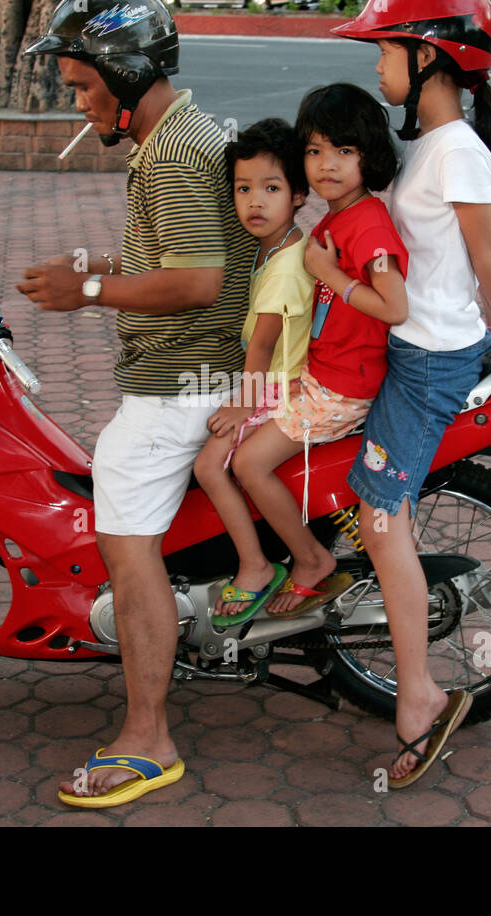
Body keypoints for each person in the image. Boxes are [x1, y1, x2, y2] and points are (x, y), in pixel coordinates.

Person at [17, 0, 257, 808]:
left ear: (123, 74)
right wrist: (100, 271)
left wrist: (86, 295)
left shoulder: (172, 154)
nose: (80, 104)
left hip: (179, 385)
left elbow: (196, 282)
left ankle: (149, 739)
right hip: (199, 370)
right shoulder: (183, 135)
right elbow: (183, 257)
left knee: (127, 553)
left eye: (83, 85)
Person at [331, 0, 491, 788]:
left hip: (431, 362)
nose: (378, 69)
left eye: (386, 51)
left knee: (382, 521)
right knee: (358, 499)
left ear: (430, 57)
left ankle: (417, 699)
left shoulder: (461, 153)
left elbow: (487, 257)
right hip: (401, 348)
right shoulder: (427, 145)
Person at [225, 83, 409, 621]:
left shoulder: (368, 224)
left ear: (369, 155)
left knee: (249, 464)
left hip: (340, 387)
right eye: (314, 151)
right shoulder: (334, 217)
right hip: (319, 375)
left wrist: (331, 274)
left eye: (344, 152)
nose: (326, 165)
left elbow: (394, 307)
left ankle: (310, 559)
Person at [192, 118, 313, 627]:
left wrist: (242, 402)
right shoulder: (278, 245)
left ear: (299, 195)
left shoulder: (285, 265)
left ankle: (259, 563)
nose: (254, 202)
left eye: (271, 188)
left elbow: (263, 344)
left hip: (275, 387)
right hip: (273, 380)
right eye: (244, 189)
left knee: (213, 466)